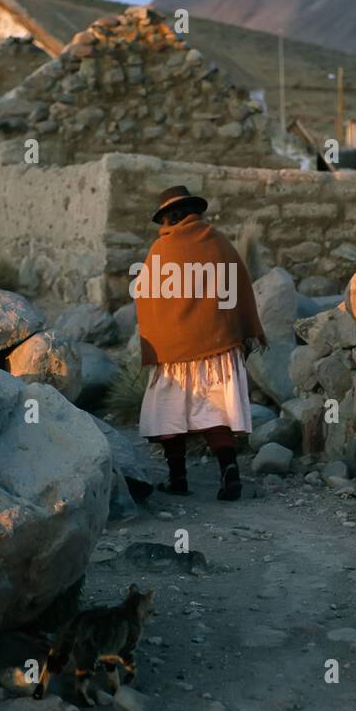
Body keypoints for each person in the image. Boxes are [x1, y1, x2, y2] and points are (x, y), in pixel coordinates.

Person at [133, 186, 266, 502]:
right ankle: (229, 472)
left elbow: (147, 299)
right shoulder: (218, 242)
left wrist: (163, 337)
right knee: (215, 410)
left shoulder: (160, 250)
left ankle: (177, 478)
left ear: (167, 217)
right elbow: (238, 285)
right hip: (217, 346)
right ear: (195, 212)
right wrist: (239, 329)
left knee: (170, 409)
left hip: (174, 352)